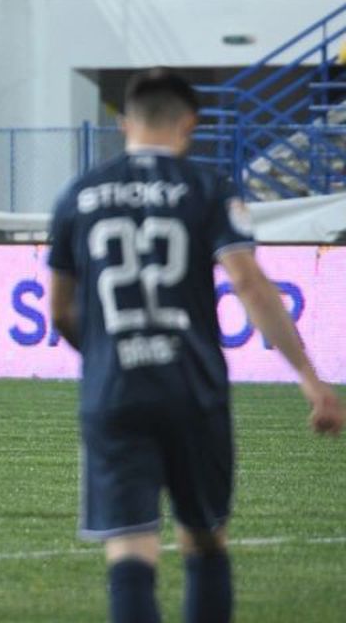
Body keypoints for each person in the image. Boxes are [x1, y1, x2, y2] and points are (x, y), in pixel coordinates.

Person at [46, 68, 344, 623]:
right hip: (192, 387)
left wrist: (107, 355)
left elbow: (60, 309)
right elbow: (250, 285)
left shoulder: (79, 196)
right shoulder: (208, 188)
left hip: (114, 391)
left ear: (123, 122)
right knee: (205, 541)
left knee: (130, 548)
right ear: (190, 123)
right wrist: (309, 377)